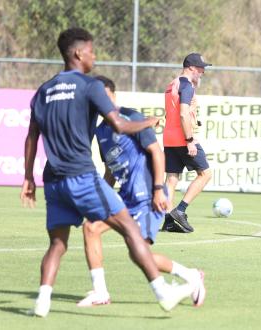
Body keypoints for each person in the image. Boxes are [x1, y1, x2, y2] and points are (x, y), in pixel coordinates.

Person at [20, 27, 192, 317]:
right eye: (91, 50)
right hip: (81, 177)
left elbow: (31, 136)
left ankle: (42, 302)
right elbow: (120, 125)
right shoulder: (89, 86)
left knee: (57, 244)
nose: (94, 55)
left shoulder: (43, 91)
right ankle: (163, 292)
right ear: (77, 53)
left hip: (53, 181)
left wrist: (27, 177)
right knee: (130, 229)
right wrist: (150, 122)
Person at [76, 76, 206, 308]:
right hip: (125, 200)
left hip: (148, 199)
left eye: (104, 97)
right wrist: (100, 197)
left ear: (113, 97)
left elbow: (156, 153)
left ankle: (191, 276)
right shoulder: (101, 132)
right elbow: (111, 169)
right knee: (91, 228)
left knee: (139, 254)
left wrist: (159, 190)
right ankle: (100, 292)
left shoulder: (132, 117)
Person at [161, 53, 213, 233]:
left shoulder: (171, 85)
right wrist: (189, 140)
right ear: (191, 67)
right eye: (200, 68)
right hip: (183, 138)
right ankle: (180, 210)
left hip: (168, 137)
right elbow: (182, 113)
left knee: (172, 178)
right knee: (205, 174)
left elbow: (172, 113)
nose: (203, 72)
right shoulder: (186, 85)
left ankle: (168, 221)